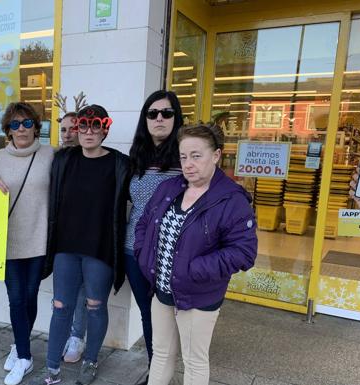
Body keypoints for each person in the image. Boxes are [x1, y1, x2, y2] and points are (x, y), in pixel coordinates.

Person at [134, 124, 257, 385]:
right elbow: (144, 223)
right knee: (161, 354)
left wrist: (195, 269)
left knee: (194, 361)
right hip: (162, 291)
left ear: (216, 156)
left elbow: (244, 252)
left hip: (198, 296)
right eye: (183, 156)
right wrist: (144, 254)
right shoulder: (169, 188)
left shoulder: (231, 200)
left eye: (196, 156)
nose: (188, 164)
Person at [34, 104, 130, 385]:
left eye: (95, 125)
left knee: (95, 306)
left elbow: (141, 195)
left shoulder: (119, 164)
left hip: (99, 248)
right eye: (83, 126)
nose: (89, 132)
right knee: (61, 306)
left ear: (105, 129)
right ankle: (52, 370)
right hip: (66, 247)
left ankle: (90, 360)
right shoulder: (64, 159)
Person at [0, 102, 54, 385]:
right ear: (8, 129)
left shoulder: (49, 155)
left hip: (38, 238)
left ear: (36, 127)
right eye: (15, 124)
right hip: (8, 240)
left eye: (27, 123)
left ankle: (19, 346)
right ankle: (25, 357)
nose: (21, 129)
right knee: (16, 298)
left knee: (29, 296)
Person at [126, 90, 184, 384]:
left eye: (166, 113)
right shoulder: (135, 157)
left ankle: (163, 373)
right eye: (153, 113)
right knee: (148, 315)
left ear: (176, 117)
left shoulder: (185, 157)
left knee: (168, 318)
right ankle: (156, 372)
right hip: (133, 251)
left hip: (170, 254)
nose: (159, 118)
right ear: (145, 119)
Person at [59, 110, 87, 363]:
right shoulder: (56, 158)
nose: (68, 134)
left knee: (82, 292)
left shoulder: (95, 158)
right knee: (63, 292)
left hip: (87, 238)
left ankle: (77, 336)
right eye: (63, 129)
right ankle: (63, 334)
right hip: (62, 236)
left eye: (73, 128)